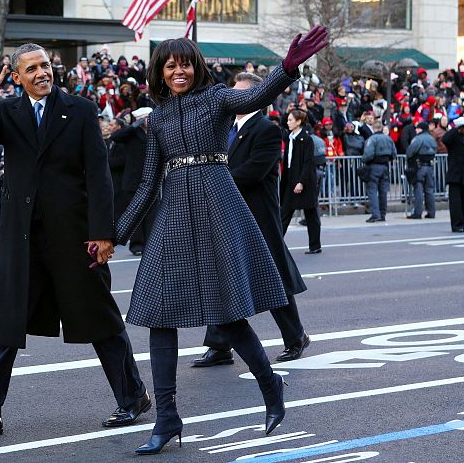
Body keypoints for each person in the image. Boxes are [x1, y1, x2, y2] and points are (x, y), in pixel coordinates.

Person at [116, 27, 328, 455]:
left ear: (196, 68)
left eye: (186, 63)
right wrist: (114, 235)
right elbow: (146, 183)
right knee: (160, 316)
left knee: (227, 314)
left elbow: (254, 97)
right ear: (160, 72)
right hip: (175, 214)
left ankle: (271, 385)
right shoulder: (155, 120)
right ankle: (167, 418)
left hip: (216, 205)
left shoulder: (217, 99)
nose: (179, 70)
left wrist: (286, 68)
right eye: (171, 65)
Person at [0, 45, 149, 442]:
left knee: (99, 317)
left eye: (46, 66)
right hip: (21, 240)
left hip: (74, 237)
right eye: (31, 68)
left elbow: (98, 177)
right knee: (4, 325)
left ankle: (133, 396)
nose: (42, 73)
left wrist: (104, 233)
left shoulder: (82, 110)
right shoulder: (6, 111)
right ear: (15, 77)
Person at [191, 73, 310, 369]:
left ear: (256, 97)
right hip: (226, 213)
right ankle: (219, 346)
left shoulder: (266, 129)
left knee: (272, 279)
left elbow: (253, 171)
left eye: (239, 92)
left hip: (257, 215)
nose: (233, 97)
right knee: (221, 279)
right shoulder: (225, 127)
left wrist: (212, 181)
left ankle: (295, 337)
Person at [109, 107, 155, 256]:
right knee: (136, 213)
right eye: (146, 118)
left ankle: (151, 244)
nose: (148, 121)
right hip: (133, 181)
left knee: (151, 214)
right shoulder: (132, 134)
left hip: (151, 179)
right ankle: (137, 245)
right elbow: (116, 137)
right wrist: (134, 125)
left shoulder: (154, 133)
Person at [280, 109, 322, 253]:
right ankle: (276, 246)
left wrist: (301, 182)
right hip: (290, 178)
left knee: (311, 214)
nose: (288, 122)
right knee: (284, 213)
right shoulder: (289, 137)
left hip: (304, 180)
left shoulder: (306, 139)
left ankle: (315, 245)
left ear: (298, 122)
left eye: (291, 120)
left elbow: (308, 163)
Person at [442, 116, 464, 232]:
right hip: (456, 176)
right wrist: (455, 128)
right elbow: (445, 139)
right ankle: (457, 224)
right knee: (456, 202)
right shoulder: (454, 139)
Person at [361, 120, 397, 223]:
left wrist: (363, 160)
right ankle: (382, 214)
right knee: (383, 192)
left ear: (373, 128)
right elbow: (394, 153)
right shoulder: (388, 139)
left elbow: (368, 154)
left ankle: (375, 214)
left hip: (374, 166)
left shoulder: (372, 139)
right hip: (385, 167)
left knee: (372, 191)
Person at [405, 122, 438, 219]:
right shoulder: (432, 139)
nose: (415, 130)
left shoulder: (417, 139)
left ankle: (418, 212)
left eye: (417, 128)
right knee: (429, 190)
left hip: (419, 167)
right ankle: (431, 212)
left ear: (420, 129)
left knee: (418, 189)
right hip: (430, 166)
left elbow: (410, 152)